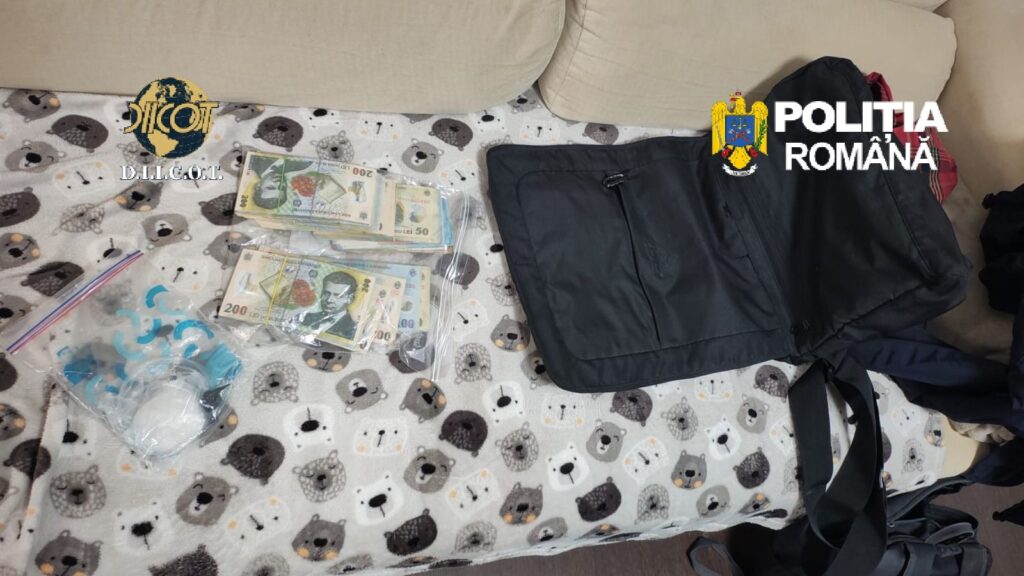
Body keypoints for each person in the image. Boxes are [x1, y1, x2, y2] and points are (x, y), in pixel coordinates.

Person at [300, 271, 359, 340]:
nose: (329, 300)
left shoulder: (352, 330)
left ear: (350, 299)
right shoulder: (306, 317)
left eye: (338, 296)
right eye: (326, 293)